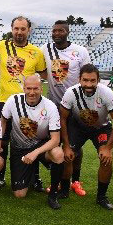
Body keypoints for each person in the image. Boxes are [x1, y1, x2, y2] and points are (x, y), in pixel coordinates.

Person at [58, 64, 113, 209]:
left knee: (106, 159)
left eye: (92, 80)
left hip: (100, 129)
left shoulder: (106, 93)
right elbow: (62, 118)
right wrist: (66, 145)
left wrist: (108, 147)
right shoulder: (71, 93)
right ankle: (64, 190)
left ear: (98, 80)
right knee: (66, 156)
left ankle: (101, 197)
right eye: (85, 80)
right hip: (77, 127)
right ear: (79, 79)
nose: (89, 84)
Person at [0, 16, 47, 190]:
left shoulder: (36, 52)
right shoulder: (2, 46)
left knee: (31, 141)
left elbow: (42, 75)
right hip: (4, 102)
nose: (19, 32)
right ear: (11, 29)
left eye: (23, 29)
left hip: (27, 105)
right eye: (16, 28)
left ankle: (34, 178)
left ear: (28, 30)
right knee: (2, 141)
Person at [41, 20, 91, 197]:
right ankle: (59, 180)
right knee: (55, 144)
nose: (57, 33)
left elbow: (87, 75)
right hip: (53, 105)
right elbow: (39, 68)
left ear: (67, 32)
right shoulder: (45, 49)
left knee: (74, 144)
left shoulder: (80, 51)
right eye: (54, 31)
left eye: (61, 31)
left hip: (75, 105)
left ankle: (75, 181)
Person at [1, 75, 64, 209]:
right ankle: (32, 176)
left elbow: (55, 139)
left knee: (58, 154)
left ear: (41, 89)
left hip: (41, 145)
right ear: (24, 88)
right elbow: (3, 121)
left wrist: (35, 152)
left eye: (35, 88)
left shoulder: (50, 106)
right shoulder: (13, 101)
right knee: (19, 194)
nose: (32, 92)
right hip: (19, 147)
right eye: (29, 88)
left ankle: (53, 194)